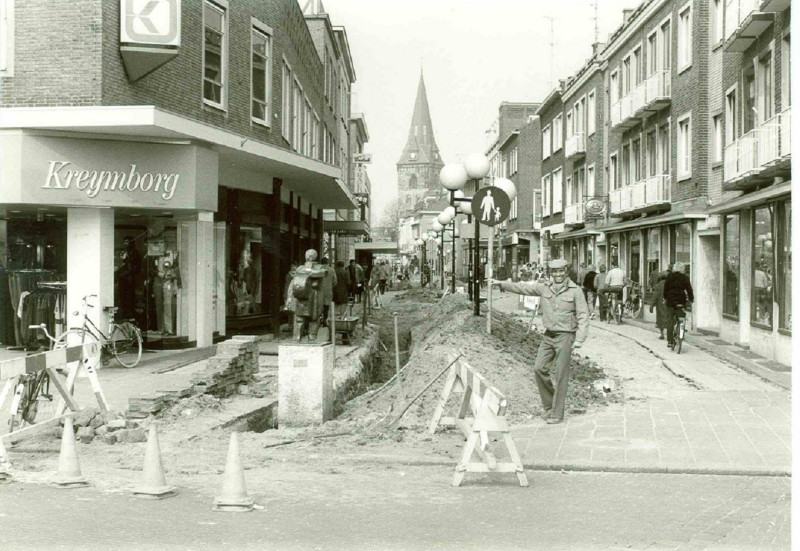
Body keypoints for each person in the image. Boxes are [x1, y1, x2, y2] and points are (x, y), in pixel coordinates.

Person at [492, 258, 589, 424]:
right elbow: (523, 287)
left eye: (561, 271)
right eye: (554, 272)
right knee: (539, 368)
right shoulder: (545, 288)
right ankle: (549, 406)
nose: (558, 275)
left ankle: (557, 413)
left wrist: (579, 339)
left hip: (565, 336)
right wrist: (500, 283)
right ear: (550, 273)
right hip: (549, 335)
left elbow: (583, 315)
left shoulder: (575, 291)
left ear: (566, 272)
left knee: (560, 375)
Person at [663, 261, 694, 348]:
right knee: (681, 318)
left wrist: (665, 297)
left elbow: (665, 289)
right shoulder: (685, 277)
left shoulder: (670, 276)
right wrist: (691, 299)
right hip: (681, 299)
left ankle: (670, 341)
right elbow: (689, 289)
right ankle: (681, 333)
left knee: (670, 320)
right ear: (682, 269)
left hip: (670, 300)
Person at [116, 236, 142, 320]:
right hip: (125, 278)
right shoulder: (126, 252)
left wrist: (126, 261)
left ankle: (129, 313)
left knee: (129, 297)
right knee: (123, 297)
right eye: (124, 242)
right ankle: (124, 313)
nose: (125, 244)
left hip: (129, 278)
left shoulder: (134, 252)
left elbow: (134, 267)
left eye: (127, 242)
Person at [651, 271, 670, 340]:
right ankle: (669, 333)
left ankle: (662, 334)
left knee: (660, 319)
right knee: (669, 318)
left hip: (660, 304)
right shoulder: (670, 284)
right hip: (668, 303)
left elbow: (655, 296)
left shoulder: (658, 285)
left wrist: (652, 305)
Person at [319, 257, 336, 327]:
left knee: (319, 306)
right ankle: (325, 321)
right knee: (326, 307)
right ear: (327, 262)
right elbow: (335, 281)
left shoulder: (318, 269)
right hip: (328, 291)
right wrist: (330, 286)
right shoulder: (331, 270)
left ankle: (318, 320)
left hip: (319, 291)